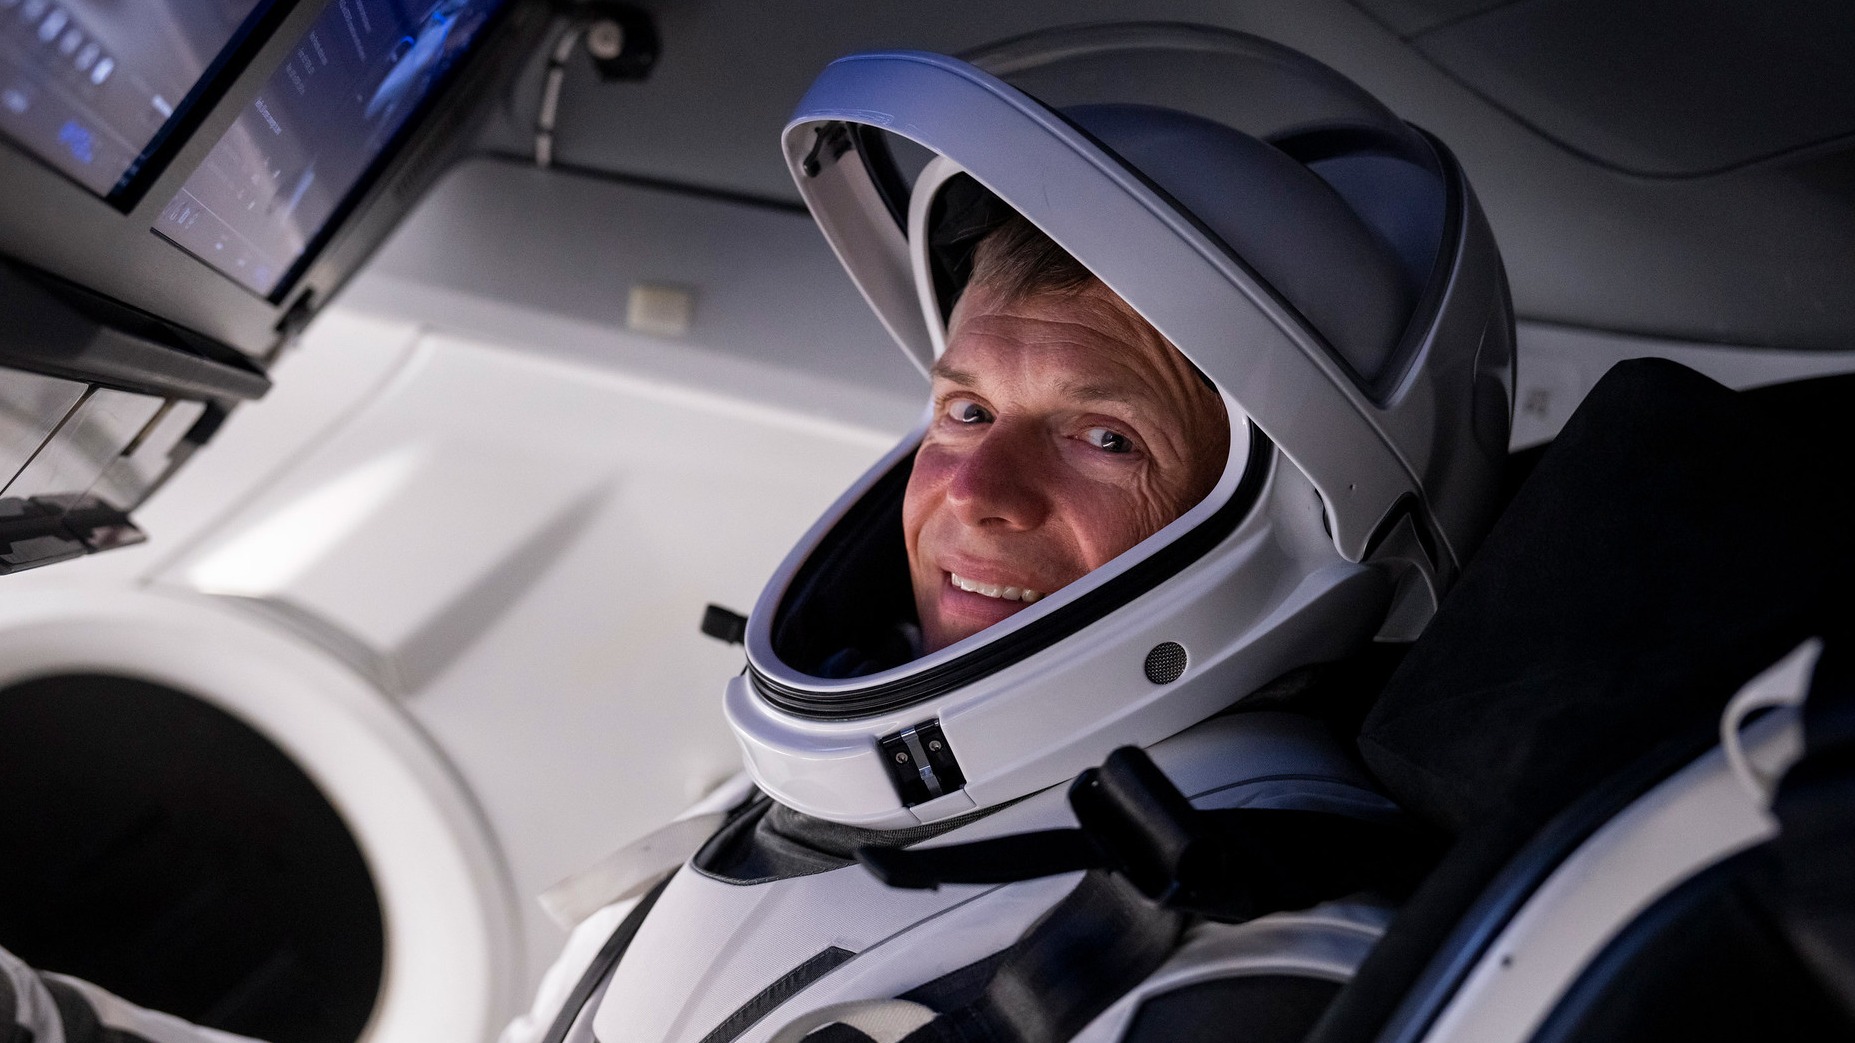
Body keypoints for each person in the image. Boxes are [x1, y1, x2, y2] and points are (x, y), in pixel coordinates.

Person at [3, 25, 1516, 1043]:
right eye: (966, 408)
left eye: (1106, 435)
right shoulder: (930, 818)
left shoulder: (1249, 961)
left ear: (1299, 526)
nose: (977, 495)